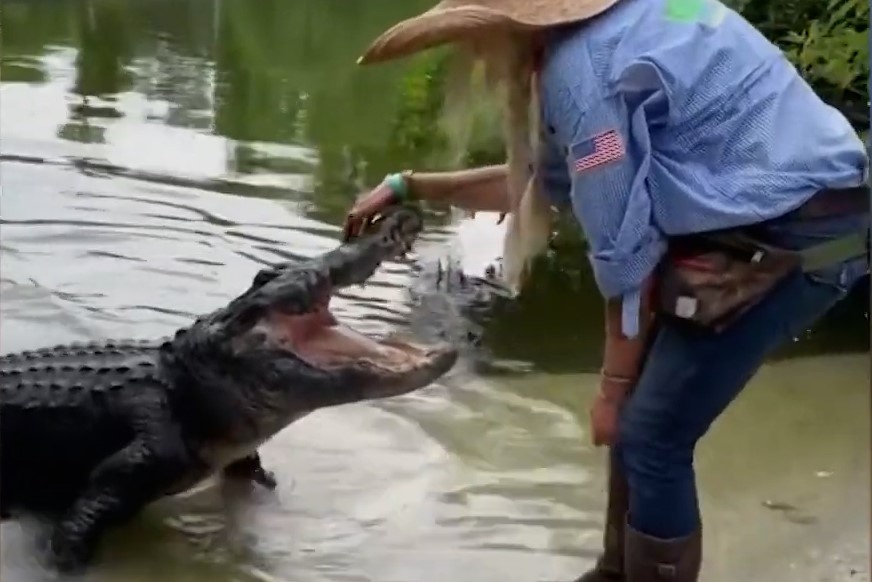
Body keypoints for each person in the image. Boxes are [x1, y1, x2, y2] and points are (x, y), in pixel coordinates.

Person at [343, 0, 871, 580]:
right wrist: (408, 186)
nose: (476, 55)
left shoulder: (582, 75)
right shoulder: (646, 15)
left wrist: (612, 390)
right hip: (800, 215)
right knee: (643, 419)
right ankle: (615, 571)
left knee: (651, 437)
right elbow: (539, 185)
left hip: (801, 242)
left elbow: (625, 253)